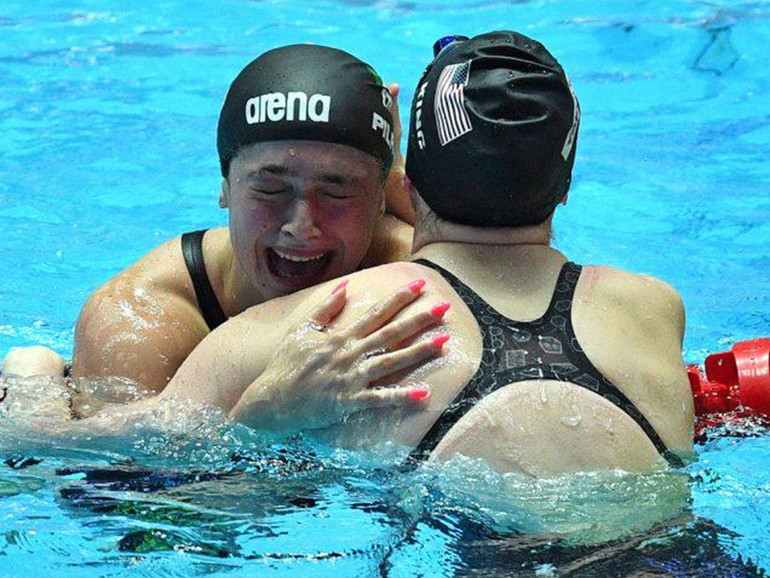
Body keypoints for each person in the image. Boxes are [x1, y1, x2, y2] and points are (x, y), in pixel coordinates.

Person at [146, 30, 694, 476]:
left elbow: (141, 488)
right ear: (566, 188)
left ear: (403, 185)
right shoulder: (653, 307)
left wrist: (257, 421)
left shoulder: (291, 331)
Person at [1, 44, 417, 394]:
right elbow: (111, 484)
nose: (301, 225)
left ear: (381, 199)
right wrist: (263, 414)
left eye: (336, 190)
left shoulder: (410, 263)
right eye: (269, 189)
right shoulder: (140, 317)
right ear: (224, 187)